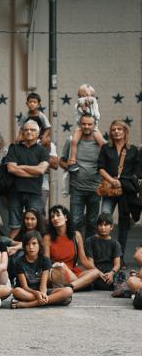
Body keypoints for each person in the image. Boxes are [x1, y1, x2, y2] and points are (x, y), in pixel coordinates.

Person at [97, 118, 140, 258]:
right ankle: (104, 254)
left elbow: (138, 172)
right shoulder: (105, 148)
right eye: (113, 129)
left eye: (119, 129)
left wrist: (122, 183)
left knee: (124, 223)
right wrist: (112, 180)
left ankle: (119, 257)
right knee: (104, 218)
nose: (116, 132)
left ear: (125, 131)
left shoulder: (133, 150)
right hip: (109, 190)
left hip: (126, 192)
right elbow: (100, 168)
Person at [59, 113, 102, 238]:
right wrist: (70, 166)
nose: (86, 126)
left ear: (94, 126)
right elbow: (61, 161)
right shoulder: (71, 140)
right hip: (77, 188)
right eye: (84, 124)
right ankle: (75, 251)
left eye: (90, 124)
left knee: (92, 223)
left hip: (95, 188)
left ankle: (88, 253)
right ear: (79, 125)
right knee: (75, 222)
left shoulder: (100, 142)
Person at [5, 119, 49, 239]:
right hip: (15, 192)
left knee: (36, 225)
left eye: (32, 130)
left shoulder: (42, 151)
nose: (29, 132)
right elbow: (11, 169)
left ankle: (36, 252)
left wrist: (22, 167)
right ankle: (10, 253)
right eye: (26, 130)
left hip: (34, 193)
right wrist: (33, 173)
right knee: (15, 225)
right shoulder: (14, 148)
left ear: (38, 133)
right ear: (22, 132)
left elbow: (41, 170)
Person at [43, 205, 101, 292]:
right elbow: (46, 262)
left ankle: (70, 287)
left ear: (66, 217)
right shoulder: (47, 238)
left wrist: (100, 273)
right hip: (57, 272)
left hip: (73, 272)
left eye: (58, 215)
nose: (55, 218)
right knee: (62, 267)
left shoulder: (76, 235)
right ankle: (80, 284)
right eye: (52, 217)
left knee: (95, 272)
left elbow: (84, 260)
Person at [9, 231, 73, 309]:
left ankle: (29, 304)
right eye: (27, 244)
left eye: (34, 243)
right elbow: (25, 286)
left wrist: (42, 293)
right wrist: (36, 294)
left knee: (68, 290)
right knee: (16, 291)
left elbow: (43, 285)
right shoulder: (19, 262)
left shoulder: (45, 260)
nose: (31, 247)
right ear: (24, 246)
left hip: (43, 291)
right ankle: (52, 300)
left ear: (39, 245)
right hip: (28, 292)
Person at [66, 84, 106, 172]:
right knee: (74, 141)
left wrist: (89, 108)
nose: (86, 98)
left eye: (89, 96)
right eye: (83, 96)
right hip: (80, 127)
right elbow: (79, 116)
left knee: (102, 142)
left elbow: (96, 116)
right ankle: (73, 161)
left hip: (94, 127)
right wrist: (84, 108)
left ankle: (101, 162)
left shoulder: (95, 105)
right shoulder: (78, 105)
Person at [83, 213, 122, 291]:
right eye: (100, 225)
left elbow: (117, 264)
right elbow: (90, 262)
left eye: (106, 225)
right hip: (94, 271)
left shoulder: (115, 244)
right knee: (89, 278)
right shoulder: (90, 241)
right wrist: (99, 273)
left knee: (117, 280)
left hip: (109, 273)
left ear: (112, 227)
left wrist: (111, 273)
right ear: (97, 226)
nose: (103, 228)